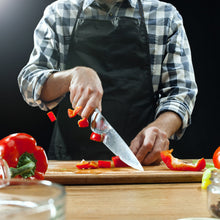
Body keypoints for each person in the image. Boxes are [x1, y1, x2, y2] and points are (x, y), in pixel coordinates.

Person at [18, 0, 197, 165]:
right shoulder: (59, 13)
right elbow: (29, 81)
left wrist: (161, 127)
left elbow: (181, 91)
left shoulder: (165, 16)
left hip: (141, 159)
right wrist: (72, 76)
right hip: (69, 164)